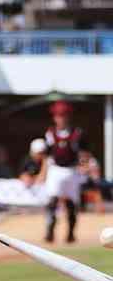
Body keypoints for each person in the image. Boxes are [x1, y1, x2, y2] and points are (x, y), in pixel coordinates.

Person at [43, 100, 90, 243]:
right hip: (55, 170)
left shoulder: (77, 133)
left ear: (68, 116)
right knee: (52, 201)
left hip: (71, 171)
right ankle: (50, 231)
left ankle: (70, 234)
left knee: (71, 203)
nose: (60, 118)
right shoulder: (50, 133)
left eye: (63, 115)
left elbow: (84, 153)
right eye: (58, 115)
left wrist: (84, 165)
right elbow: (47, 155)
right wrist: (42, 173)